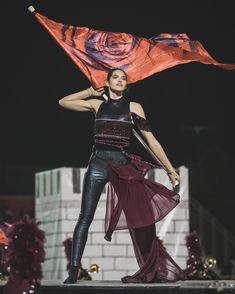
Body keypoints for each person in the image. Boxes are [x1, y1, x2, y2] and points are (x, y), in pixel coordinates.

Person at [59, 68, 185, 284]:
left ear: (126, 85)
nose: (119, 80)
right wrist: (89, 90)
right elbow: (63, 101)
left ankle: (151, 270)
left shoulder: (134, 108)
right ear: (107, 82)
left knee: (141, 218)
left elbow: (151, 141)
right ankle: (74, 270)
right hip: (98, 163)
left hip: (123, 165)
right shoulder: (96, 104)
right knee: (85, 217)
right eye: (115, 77)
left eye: (123, 78)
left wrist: (170, 169)